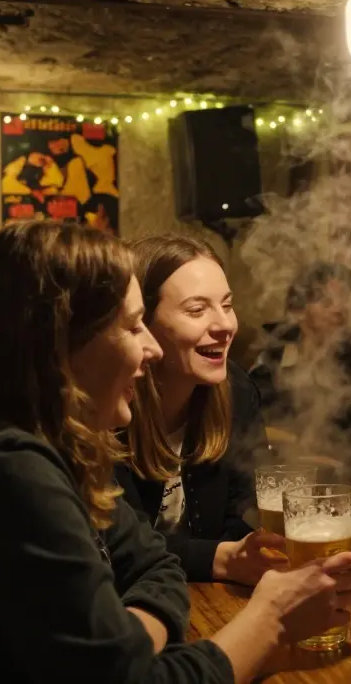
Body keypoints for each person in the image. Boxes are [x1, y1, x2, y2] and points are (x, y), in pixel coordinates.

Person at [0, 222, 351, 683]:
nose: (148, 348)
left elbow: (155, 561)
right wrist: (269, 621)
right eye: (131, 326)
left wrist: (126, 640)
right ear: (62, 344)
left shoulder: (45, 444)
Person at [117, 234, 281, 586]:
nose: (225, 325)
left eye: (227, 304)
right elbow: (115, 545)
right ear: (141, 322)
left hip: (209, 598)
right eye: (197, 310)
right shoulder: (110, 405)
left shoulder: (235, 389)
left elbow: (247, 514)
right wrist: (215, 558)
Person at [250, 262, 351, 445]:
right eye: (326, 302)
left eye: (343, 299)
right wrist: (296, 444)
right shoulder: (273, 361)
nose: (339, 309)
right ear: (298, 310)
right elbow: (251, 426)